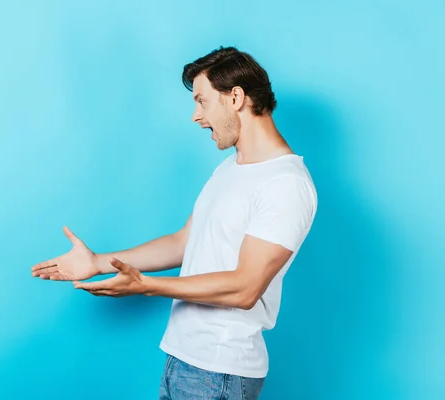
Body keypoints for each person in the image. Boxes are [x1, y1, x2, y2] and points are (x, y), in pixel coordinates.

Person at [31, 46, 318, 400]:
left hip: (219, 369)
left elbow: (245, 288)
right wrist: (98, 262)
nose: (196, 116)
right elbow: (184, 242)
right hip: (184, 359)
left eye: (202, 101)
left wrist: (147, 286)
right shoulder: (232, 168)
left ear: (236, 98)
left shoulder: (285, 184)